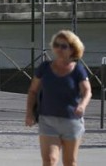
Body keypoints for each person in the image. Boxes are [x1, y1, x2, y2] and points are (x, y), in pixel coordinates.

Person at [25, 30, 91, 166]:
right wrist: (29, 113)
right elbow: (32, 91)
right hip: (47, 120)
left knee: (70, 162)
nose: (58, 49)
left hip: (71, 122)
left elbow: (87, 91)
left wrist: (82, 105)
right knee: (49, 160)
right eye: (56, 45)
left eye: (63, 46)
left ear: (73, 49)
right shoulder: (44, 68)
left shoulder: (78, 70)